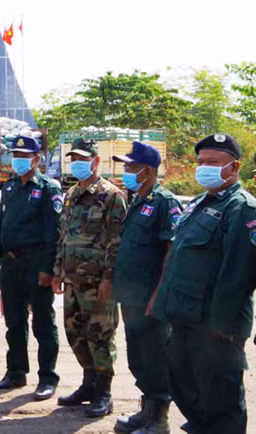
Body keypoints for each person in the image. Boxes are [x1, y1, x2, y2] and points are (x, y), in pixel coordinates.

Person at [150, 133, 256, 434]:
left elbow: (238, 273)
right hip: (184, 317)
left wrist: (221, 327)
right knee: (183, 384)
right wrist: (162, 305)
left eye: (212, 163)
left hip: (215, 326)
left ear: (233, 168)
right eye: (200, 162)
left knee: (221, 400)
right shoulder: (198, 203)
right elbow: (178, 259)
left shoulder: (243, 208)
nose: (203, 168)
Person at [52, 138, 126, 418]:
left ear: (95, 161)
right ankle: (88, 383)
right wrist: (58, 271)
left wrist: (109, 277)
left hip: (98, 283)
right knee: (75, 334)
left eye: (83, 159)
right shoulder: (71, 193)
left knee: (101, 336)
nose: (77, 164)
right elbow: (64, 236)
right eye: (74, 159)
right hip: (72, 280)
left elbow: (116, 241)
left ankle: (104, 393)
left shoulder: (111, 195)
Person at [109, 141, 179, 434]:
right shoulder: (137, 199)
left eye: (130, 167)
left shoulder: (164, 202)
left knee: (155, 356)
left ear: (147, 171)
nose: (125, 171)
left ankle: (159, 418)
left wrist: (158, 296)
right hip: (131, 296)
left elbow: (170, 252)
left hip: (150, 298)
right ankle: (146, 411)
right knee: (138, 355)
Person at [0, 135, 61, 400]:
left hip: (35, 263)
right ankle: (16, 371)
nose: (17, 159)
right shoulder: (9, 187)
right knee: (14, 322)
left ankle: (47, 377)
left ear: (36, 159)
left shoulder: (48, 188)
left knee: (42, 321)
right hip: (10, 263)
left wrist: (47, 268)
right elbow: (1, 226)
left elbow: (53, 233)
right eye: (14, 155)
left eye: (23, 155)